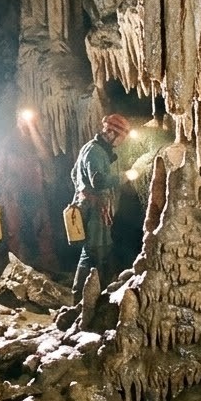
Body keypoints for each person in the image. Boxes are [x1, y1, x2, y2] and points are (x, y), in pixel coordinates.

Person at [71, 113, 130, 299]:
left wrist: (81, 191)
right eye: (121, 137)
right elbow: (98, 180)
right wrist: (125, 176)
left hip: (93, 208)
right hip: (93, 211)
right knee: (93, 253)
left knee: (99, 251)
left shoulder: (93, 149)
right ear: (112, 133)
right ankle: (81, 301)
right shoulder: (95, 151)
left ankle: (91, 298)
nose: (122, 142)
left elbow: (74, 174)